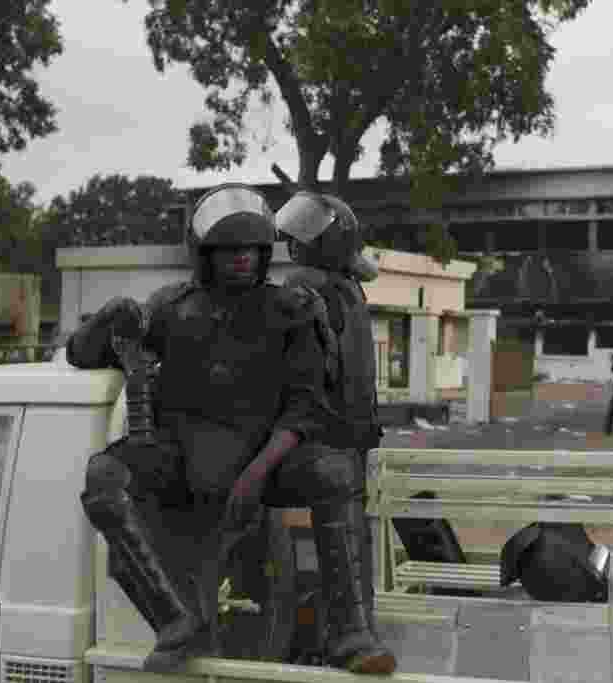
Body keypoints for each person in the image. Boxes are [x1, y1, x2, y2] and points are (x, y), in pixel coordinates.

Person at [68, 184, 395, 675]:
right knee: (103, 476)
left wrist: (257, 473)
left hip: (263, 455)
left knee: (333, 471)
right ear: (204, 254)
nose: (242, 257)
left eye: (251, 249)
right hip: (182, 456)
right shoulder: (169, 307)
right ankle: (175, 622)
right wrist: (110, 317)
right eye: (228, 249)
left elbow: (305, 406)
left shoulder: (292, 308)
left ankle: (352, 634)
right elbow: (82, 354)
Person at [277, 191, 395, 669]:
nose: (292, 243)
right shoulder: (345, 290)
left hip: (330, 437)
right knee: (351, 540)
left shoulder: (310, 288)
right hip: (351, 438)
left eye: (303, 236)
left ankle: (345, 635)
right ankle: (354, 631)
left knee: (342, 538)